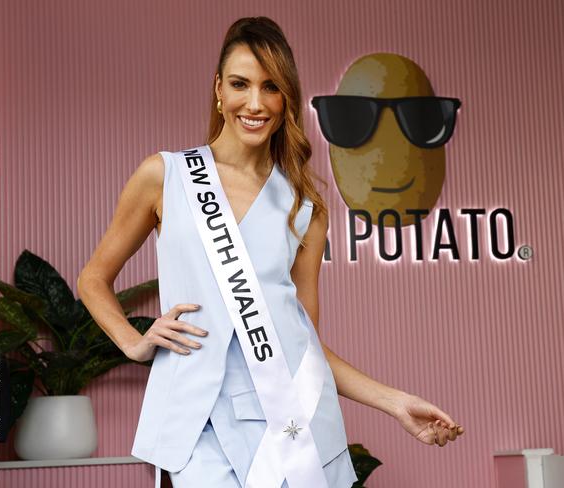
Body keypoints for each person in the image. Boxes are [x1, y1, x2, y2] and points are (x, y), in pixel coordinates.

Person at [77, 16, 464, 488]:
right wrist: (135, 343)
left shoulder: (305, 207)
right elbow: (93, 279)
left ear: (287, 99)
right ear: (219, 89)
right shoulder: (166, 176)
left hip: (289, 426)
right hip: (195, 422)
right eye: (240, 84)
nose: (255, 103)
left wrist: (394, 402)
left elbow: (304, 348)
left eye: (272, 88)